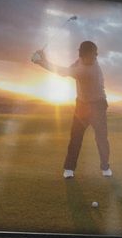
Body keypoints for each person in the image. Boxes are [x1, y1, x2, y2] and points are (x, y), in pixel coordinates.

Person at [30, 40, 111, 178]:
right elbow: (68, 71)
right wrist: (45, 59)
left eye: (95, 55)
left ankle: (105, 167)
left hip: (98, 105)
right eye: (91, 56)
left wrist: (41, 62)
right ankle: (69, 169)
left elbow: (63, 72)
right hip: (82, 105)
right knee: (75, 138)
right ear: (81, 55)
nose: (94, 58)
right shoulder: (79, 62)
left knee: (101, 139)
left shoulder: (88, 70)